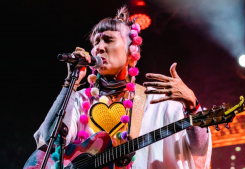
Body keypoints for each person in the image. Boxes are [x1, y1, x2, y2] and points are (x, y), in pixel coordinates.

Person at [25, 6, 211, 169]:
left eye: (108, 40)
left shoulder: (158, 102)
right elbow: (49, 141)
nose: (99, 47)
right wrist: (71, 83)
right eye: (96, 42)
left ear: (132, 52)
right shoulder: (80, 99)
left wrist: (192, 106)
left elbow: (197, 148)